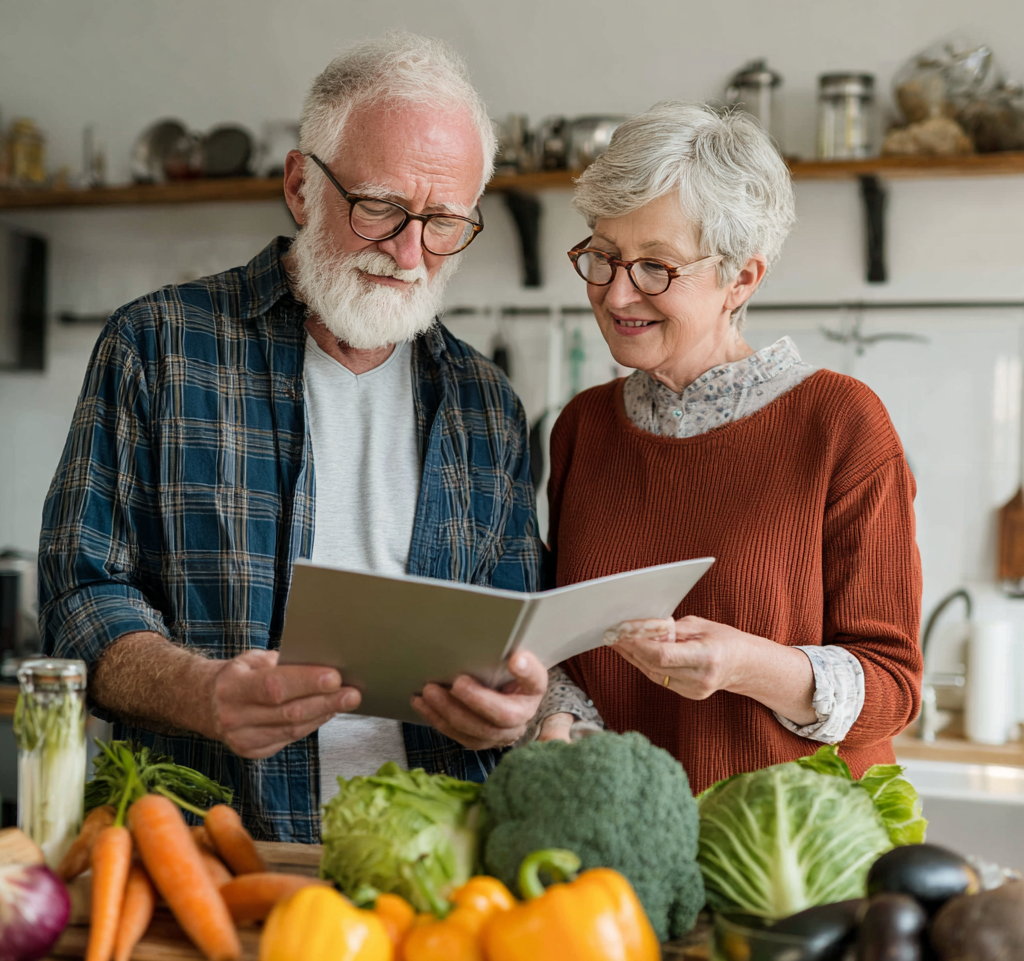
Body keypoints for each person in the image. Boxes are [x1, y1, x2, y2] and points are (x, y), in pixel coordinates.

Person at [37, 34, 548, 841]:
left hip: (433, 865)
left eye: (445, 221)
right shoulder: (158, 345)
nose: (410, 254)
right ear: (301, 184)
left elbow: (520, 631)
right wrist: (201, 694)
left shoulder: (487, 405)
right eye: (379, 207)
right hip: (210, 851)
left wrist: (514, 709)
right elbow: (78, 600)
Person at [528, 101, 922, 791]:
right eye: (603, 256)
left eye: (656, 267)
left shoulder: (841, 422)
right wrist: (561, 715)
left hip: (789, 858)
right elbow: (572, 647)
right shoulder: (582, 427)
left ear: (741, 279)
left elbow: (892, 687)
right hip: (622, 853)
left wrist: (748, 666)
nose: (617, 292)